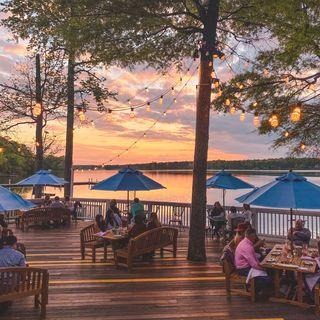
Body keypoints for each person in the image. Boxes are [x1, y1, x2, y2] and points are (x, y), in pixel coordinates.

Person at [235, 228, 272, 297]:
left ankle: (267, 287)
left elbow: (254, 260)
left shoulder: (245, 242)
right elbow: (253, 264)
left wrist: (261, 265)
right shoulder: (247, 247)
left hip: (245, 265)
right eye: (254, 236)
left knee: (267, 269)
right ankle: (253, 291)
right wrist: (263, 269)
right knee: (266, 279)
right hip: (243, 269)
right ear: (250, 236)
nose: (255, 238)